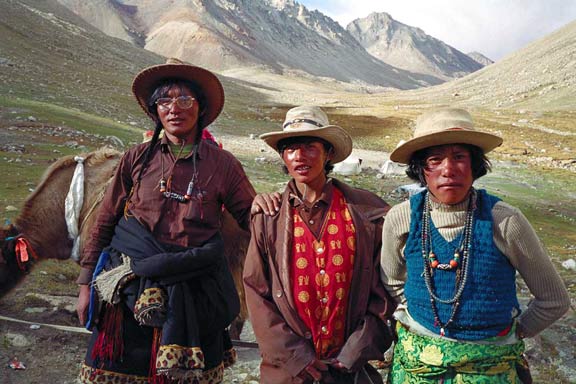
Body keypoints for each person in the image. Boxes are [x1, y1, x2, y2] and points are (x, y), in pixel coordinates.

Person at [76, 58, 256, 383]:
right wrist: (85, 284)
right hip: (130, 289)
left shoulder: (224, 166)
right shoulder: (136, 158)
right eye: (165, 100)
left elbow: (253, 220)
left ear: (200, 108)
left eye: (185, 99)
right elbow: (106, 220)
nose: (175, 108)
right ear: (155, 110)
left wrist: (279, 211)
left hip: (197, 292)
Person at [380, 107, 571, 383]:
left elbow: (554, 299)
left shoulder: (504, 220)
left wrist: (512, 332)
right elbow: (392, 279)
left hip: (491, 366)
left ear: (475, 165)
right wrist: (422, 311)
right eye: (435, 159)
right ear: (422, 170)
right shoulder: (401, 219)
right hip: (417, 366)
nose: (448, 169)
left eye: (459, 157)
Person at [243, 105, 396, 383]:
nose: (300, 156)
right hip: (289, 372)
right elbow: (256, 290)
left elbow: (384, 288)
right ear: (283, 156)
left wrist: (357, 349)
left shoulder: (368, 213)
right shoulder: (268, 218)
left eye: (310, 147)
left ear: (328, 153)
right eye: (290, 148)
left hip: (349, 369)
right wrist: (294, 356)